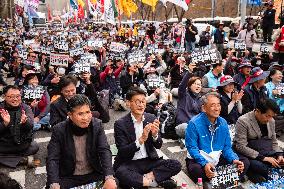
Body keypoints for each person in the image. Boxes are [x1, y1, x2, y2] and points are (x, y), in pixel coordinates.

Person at [114, 87, 181, 189]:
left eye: (143, 101)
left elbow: (159, 145)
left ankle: (143, 180)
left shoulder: (151, 118)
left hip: (149, 161)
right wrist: (141, 140)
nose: (141, 105)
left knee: (176, 164)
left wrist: (155, 135)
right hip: (130, 163)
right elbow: (123, 151)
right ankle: (155, 182)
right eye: (137, 102)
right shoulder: (120, 124)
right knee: (121, 172)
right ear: (128, 103)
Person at [46, 94, 117, 189]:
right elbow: (53, 158)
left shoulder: (97, 125)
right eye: (80, 114)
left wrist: (109, 177)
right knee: (52, 186)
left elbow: (104, 150)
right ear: (70, 115)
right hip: (69, 177)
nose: (85, 117)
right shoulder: (59, 130)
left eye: (88, 112)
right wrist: (54, 183)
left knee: (114, 181)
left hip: (93, 174)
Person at [185, 92, 245, 185]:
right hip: (199, 159)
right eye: (213, 105)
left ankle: (214, 178)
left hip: (216, 158)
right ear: (204, 108)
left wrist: (234, 159)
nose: (217, 108)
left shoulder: (223, 122)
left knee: (243, 162)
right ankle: (221, 177)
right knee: (197, 170)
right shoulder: (194, 123)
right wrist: (204, 164)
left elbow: (226, 147)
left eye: (218, 105)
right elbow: (192, 148)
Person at [233, 99, 283, 183]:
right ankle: (252, 173)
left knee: (279, 162)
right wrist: (264, 158)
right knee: (261, 167)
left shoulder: (271, 121)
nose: (269, 119)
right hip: (252, 154)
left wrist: (279, 155)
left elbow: (274, 141)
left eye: (272, 116)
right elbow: (240, 146)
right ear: (258, 111)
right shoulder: (243, 121)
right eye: (267, 116)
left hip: (267, 150)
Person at [0, 85, 39, 168]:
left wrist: (25, 122)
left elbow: (31, 125)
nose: (15, 99)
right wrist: (4, 124)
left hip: (21, 144)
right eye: (11, 97)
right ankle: (22, 160)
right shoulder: (1, 109)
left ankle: (10, 159)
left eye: (18, 96)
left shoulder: (26, 108)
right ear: (4, 97)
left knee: (34, 146)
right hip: (4, 145)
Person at [175, 63, 202, 138]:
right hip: (183, 125)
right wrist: (189, 71)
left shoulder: (200, 99)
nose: (198, 86)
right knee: (187, 127)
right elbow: (182, 86)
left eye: (199, 85)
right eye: (195, 84)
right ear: (190, 86)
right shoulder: (183, 94)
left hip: (195, 126)